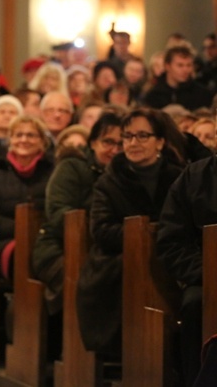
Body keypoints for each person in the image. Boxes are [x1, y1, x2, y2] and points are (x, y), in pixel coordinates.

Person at [76, 107, 187, 360]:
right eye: (128, 136)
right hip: (116, 261)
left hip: (171, 257)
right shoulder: (110, 180)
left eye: (142, 136)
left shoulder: (178, 178)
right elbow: (102, 230)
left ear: (160, 141)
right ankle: (135, 355)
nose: (133, 143)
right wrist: (145, 235)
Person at [33, 112, 123, 315]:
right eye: (108, 142)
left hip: (101, 250)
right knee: (90, 280)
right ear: (93, 142)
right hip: (57, 247)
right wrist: (98, 230)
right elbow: (58, 212)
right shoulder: (72, 166)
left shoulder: (123, 174)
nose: (114, 150)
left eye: (120, 144)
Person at [156, 143, 217, 387]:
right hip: (207, 279)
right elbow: (171, 242)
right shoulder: (194, 177)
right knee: (194, 304)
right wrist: (210, 272)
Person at [0, 115, 54, 281]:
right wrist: (22, 228)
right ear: (10, 140)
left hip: (43, 239)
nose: (24, 139)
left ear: (42, 142)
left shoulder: (52, 172)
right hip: (5, 241)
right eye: (18, 135)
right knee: (22, 252)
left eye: (31, 135)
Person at [142, 45, 213, 111]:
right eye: (180, 65)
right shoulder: (154, 95)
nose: (185, 70)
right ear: (167, 66)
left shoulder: (202, 94)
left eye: (189, 65)